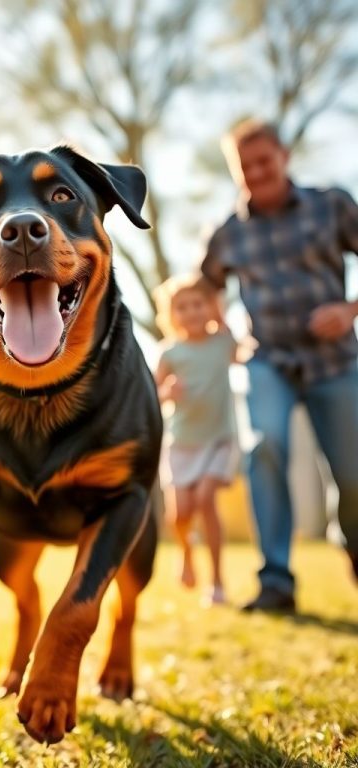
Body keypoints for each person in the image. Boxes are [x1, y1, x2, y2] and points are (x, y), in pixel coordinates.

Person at [201, 118, 358, 612]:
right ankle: (275, 580)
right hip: (266, 360)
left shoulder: (331, 205)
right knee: (264, 446)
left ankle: (354, 544)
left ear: (284, 156)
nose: (255, 172)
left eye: (263, 161)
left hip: (336, 360)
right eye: (244, 166)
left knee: (353, 475)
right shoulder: (228, 232)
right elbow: (206, 289)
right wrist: (220, 335)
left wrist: (349, 310)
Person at [153, 273, 240, 607]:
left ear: (212, 307)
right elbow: (152, 394)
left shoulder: (223, 342)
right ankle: (186, 553)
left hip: (218, 440)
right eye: (182, 307)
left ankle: (217, 581)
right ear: (171, 315)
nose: (191, 312)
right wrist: (166, 392)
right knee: (180, 515)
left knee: (206, 499)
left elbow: (241, 352)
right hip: (181, 443)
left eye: (198, 304)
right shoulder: (170, 352)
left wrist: (221, 313)